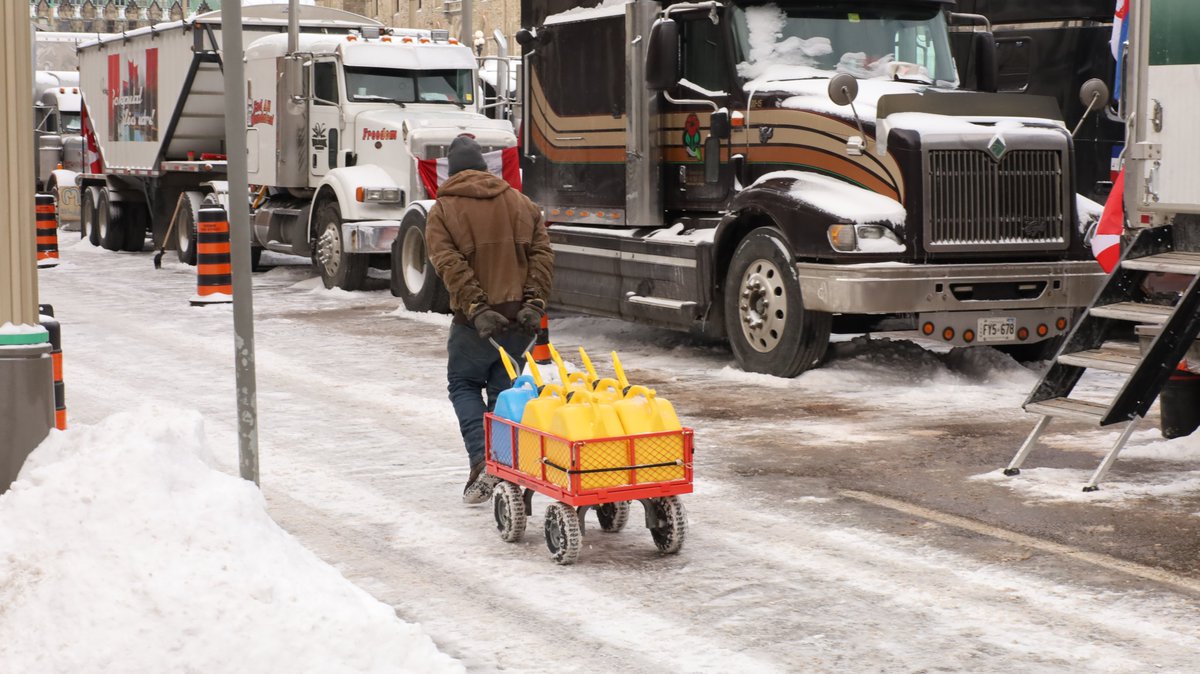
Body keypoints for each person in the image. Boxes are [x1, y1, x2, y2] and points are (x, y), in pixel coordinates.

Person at [425, 135, 554, 504]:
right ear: (485, 168)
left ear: (452, 169)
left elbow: (450, 265)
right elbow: (543, 255)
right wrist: (534, 303)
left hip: (474, 323)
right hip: (519, 322)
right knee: (504, 390)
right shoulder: (521, 202)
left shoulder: (443, 210)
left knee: (463, 384)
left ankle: (484, 461)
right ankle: (503, 464)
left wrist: (479, 308)